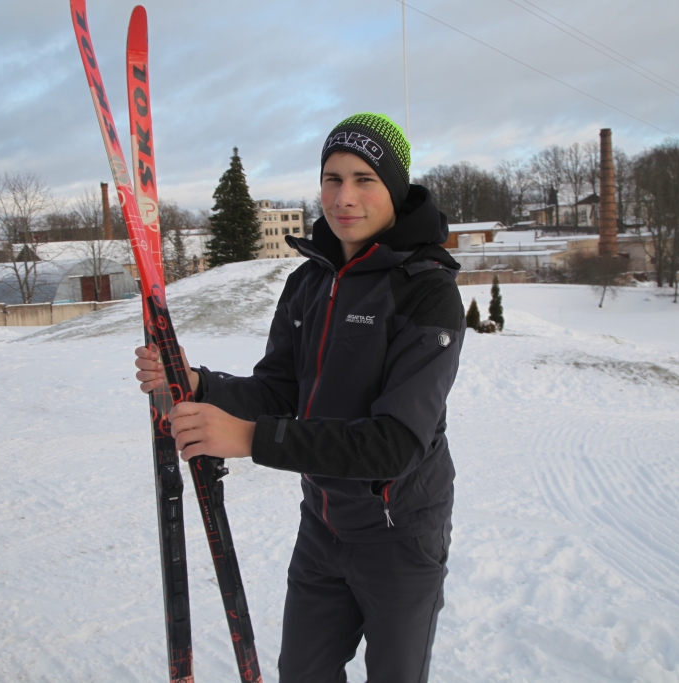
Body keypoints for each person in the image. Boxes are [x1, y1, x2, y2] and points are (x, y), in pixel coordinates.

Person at [135, 112, 465, 683]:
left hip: (400, 535)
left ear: (396, 188)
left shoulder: (427, 293)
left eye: (365, 179)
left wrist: (249, 439)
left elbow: (395, 444)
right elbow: (278, 390)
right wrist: (198, 385)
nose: (345, 197)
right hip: (323, 527)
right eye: (332, 179)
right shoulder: (309, 281)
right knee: (303, 673)